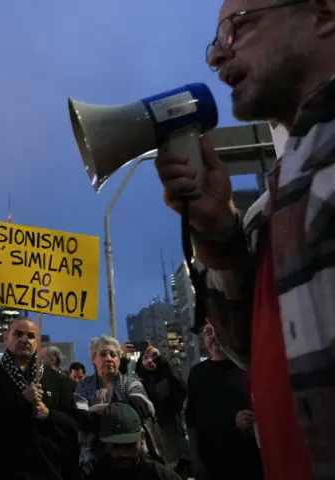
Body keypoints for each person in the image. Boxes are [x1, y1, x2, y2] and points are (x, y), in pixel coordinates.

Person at [156, 0, 335, 476]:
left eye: (236, 29)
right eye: (215, 41)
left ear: (324, 12)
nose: (216, 57)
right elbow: (250, 351)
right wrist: (219, 236)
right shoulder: (279, 199)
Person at [0, 316, 79, 480]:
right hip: (4, 472)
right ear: (5, 337)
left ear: (37, 342)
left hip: (48, 472)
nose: (24, 339)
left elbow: (72, 426)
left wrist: (49, 415)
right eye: (18, 334)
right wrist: (21, 400)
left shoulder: (60, 381)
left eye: (31, 336)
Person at [186, 323, 263, 480]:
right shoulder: (197, 373)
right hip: (212, 465)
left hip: (250, 462)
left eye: (218, 330)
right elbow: (191, 420)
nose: (213, 337)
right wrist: (195, 460)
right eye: (208, 332)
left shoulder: (249, 368)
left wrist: (253, 423)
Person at [74, 336, 154, 464]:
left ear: (119, 360)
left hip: (132, 456)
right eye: (103, 354)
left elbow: (143, 406)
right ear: (93, 359)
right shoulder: (83, 386)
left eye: (113, 354)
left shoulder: (132, 383)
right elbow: (81, 417)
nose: (109, 359)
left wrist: (96, 409)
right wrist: (123, 412)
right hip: (95, 459)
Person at [79, 404, 181, 480]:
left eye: (130, 445)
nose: (125, 454)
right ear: (105, 445)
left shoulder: (161, 476)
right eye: (116, 446)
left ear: (142, 438)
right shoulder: (89, 474)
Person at [134, 345, 189, 469]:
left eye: (153, 358)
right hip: (153, 445)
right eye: (146, 358)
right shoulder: (138, 386)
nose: (150, 361)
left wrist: (161, 360)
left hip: (176, 443)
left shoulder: (168, 380)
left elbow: (182, 391)